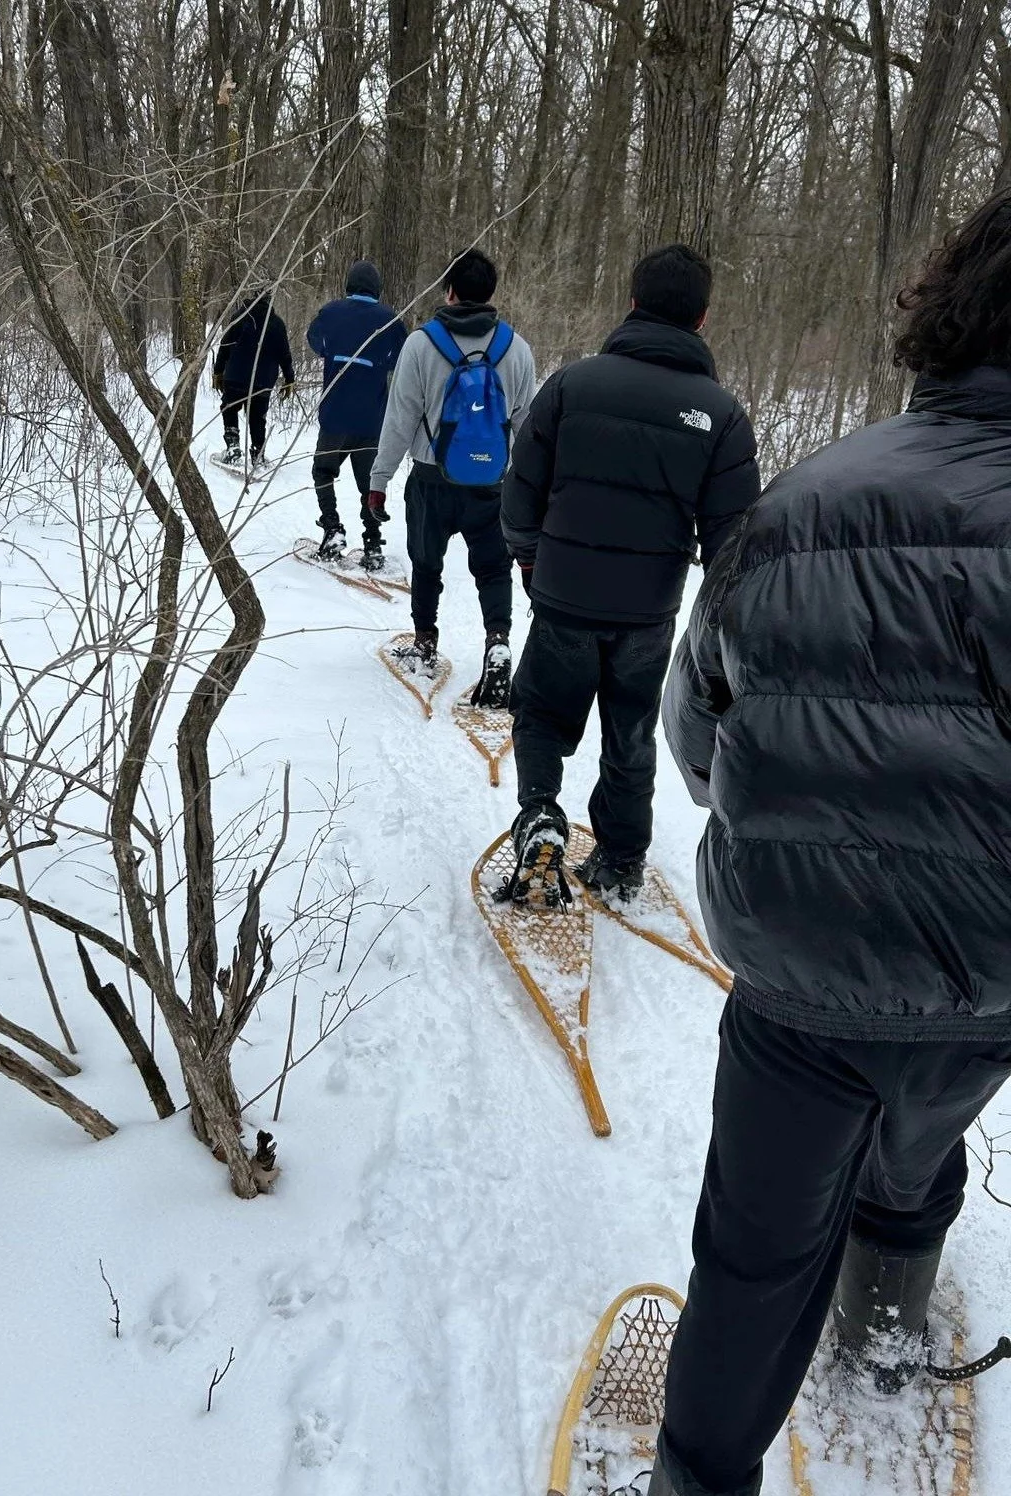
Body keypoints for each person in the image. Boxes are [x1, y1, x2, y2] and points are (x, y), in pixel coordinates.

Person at [650, 191, 1011, 1496]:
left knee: (753, 1254)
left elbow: (701, 749)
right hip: (989, 984)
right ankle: (881, 1326)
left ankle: (701, 1476)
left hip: (799, 974)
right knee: (919, 1147)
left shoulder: (801, 503)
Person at [499, 244, 758, 908]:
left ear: (633, 302)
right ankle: (619, 860)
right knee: (630, 728)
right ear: (703, 319)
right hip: (647, 612)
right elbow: (732, 547)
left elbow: (520, 490)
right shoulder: (722, 416)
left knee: (541, 713)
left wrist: (530, 557)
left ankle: (539, 816)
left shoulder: (570, 386)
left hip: (562, 594)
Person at [367, 247, 536, 707]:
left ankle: (424, 644)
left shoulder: (421, 344)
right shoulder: (516, 349)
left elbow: (399, 418)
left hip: (430, 479)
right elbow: (527, 427)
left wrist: (378, 480)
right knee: (493, 570)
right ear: (491, 293)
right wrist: (532, 489)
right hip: (492, 484)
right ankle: (497, 643)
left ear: (450, 290)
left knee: (426, 565)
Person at [306, 260, 407, 570]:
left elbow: (316, 342)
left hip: (335, 415)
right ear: (377, 290)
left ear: (348, 286)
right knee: (369, 483)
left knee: (323, 472)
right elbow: (399, 359)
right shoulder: (391, 321)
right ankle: (373, 544)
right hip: (370, 418)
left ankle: (332, 529)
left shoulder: (331, 313)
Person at [212, 289, 296, 468]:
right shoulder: (276, 324)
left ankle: (233, 448)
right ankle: (258, 454)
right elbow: (285, 355)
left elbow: (224, 347)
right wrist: (290, 378)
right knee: (258, 418)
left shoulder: (239, 317)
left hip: (235, 377)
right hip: (263, 382)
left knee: (229, 409)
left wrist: (218, 371)